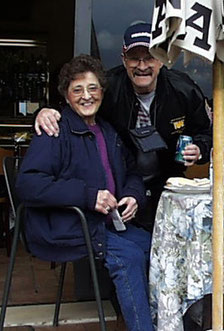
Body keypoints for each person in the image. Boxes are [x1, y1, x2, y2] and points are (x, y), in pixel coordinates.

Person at [16, 54, 153, 331]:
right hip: (69, 224)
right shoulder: (55, 131)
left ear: (102, 91)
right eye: (77, 89)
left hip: (104, 223)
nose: (86, 96)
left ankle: (153, 320)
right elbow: (28, 184)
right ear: (66, 97)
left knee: (154, 245)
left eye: (92, 88)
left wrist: (133, 195)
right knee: (129, 257)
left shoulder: (108, 130)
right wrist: (89, 196)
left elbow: (133, 172)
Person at [34, 22, 212, 231]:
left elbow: (206, 134)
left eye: (150, 57)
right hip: (120, 185)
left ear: (162, 60)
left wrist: (200, 148)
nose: (142, 65)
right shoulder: (108, 87)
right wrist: (45, 111)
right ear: (124, 59)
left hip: (167, 184)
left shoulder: (184, 90)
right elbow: (76, 105)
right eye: (135, 58)